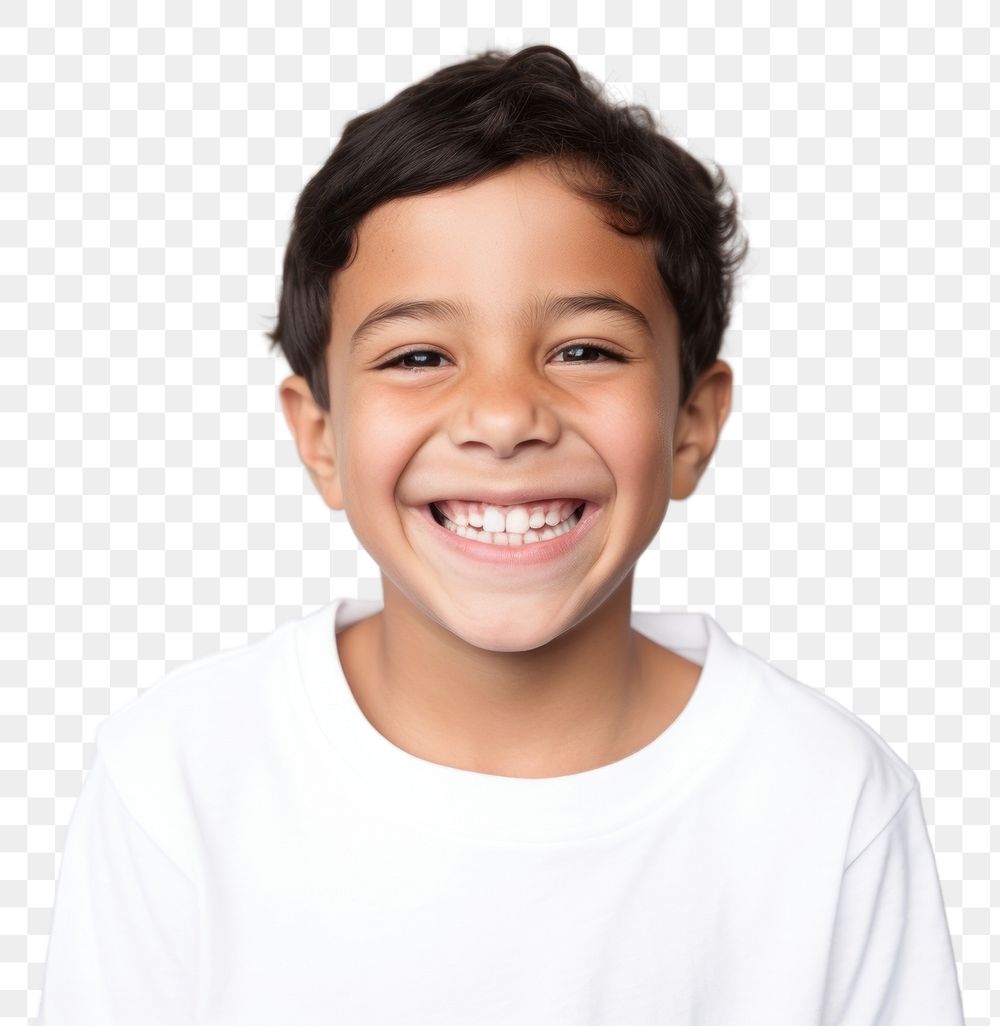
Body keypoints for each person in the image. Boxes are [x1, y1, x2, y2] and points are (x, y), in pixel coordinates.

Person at [38, 44, 965, 1025]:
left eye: (583, 349)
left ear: (692, 423)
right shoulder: (181, 774)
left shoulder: (824, 800)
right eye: (420, 354)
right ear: (321, 439)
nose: (503, 415)